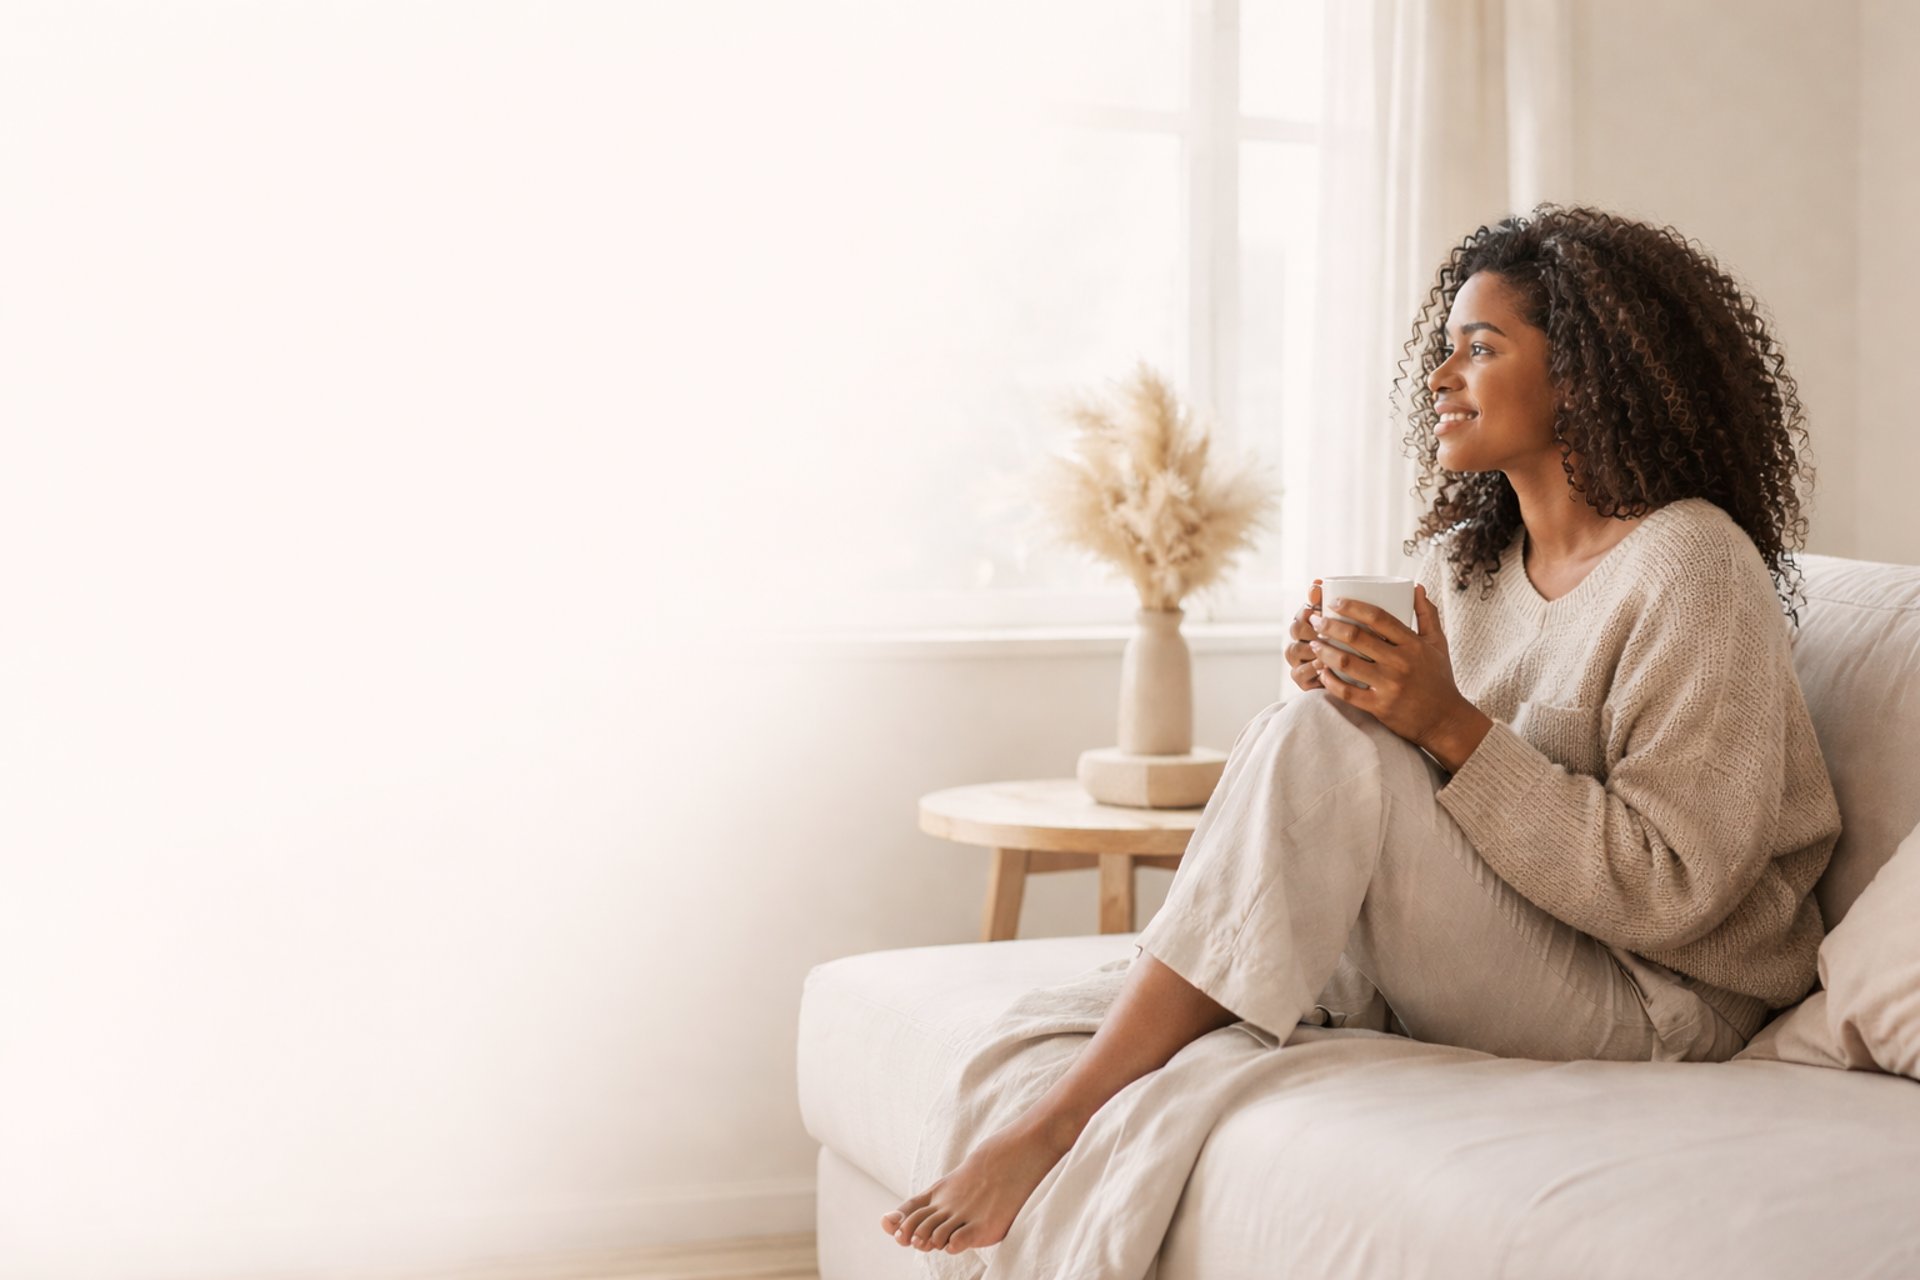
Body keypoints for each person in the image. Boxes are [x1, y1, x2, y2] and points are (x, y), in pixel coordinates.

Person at [881, 203, 1843, 1259]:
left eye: (1481, 348)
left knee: (1326, 744)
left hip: (1666, 1001)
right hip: (1526, 945)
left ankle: (1058, 1118)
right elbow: (1384, 788)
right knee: (1317, 726)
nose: (1441, 377)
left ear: (1582, 374)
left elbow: (1675, 886)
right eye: (1444, 349)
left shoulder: (1692, 566)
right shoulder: (1463, 570)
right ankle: (1121, 1055)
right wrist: (1352, 696)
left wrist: (1443, 724)